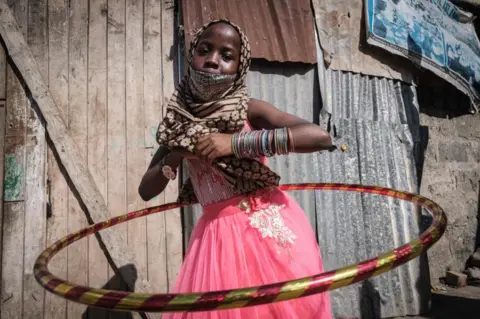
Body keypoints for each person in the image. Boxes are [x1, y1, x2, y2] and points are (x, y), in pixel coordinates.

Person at [139, 19, 333, 319]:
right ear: (192, 55)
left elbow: (319, 137)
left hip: (269, 231)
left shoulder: (250, 109)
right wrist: (176, 154)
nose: (213, 60)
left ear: (239, 67)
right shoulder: (177, 124)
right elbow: (146, 190)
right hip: (217, 244)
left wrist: (235, 143)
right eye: (205, 50)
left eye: (227, 55)